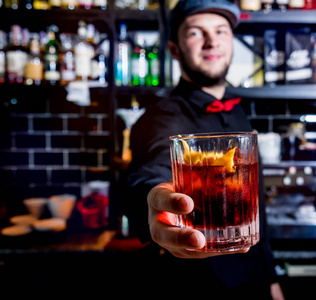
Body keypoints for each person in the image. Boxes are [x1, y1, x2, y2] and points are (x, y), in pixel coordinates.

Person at [125, 0, 284, 299]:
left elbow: (253, 207)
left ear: (232, 42)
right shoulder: (160, 119)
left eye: (221, 31)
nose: (212, 41)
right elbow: (148, 176)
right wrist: (155, 203)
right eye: (196, 33)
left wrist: (271, 281)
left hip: (256, 284)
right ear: (174, 49)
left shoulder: (238, 113)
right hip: (200, 287)